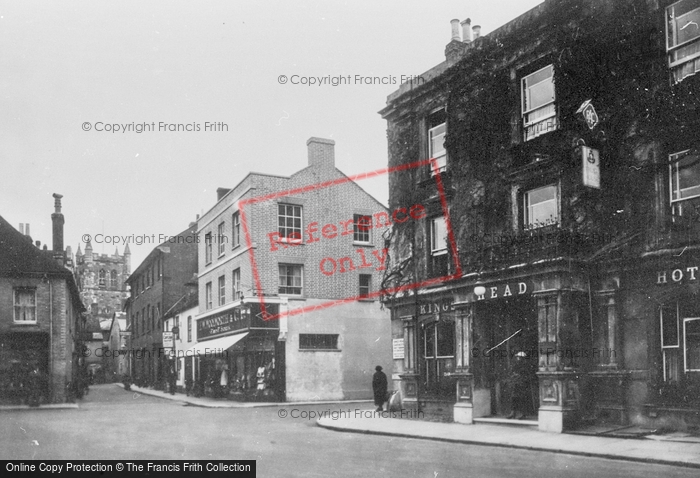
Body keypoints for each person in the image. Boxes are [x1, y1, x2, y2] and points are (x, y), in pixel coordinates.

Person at [507, 351, 530, 419]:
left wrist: (520, 378)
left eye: (519, 357)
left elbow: (526, 375)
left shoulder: (525, 365)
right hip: (516, 383)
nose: (518, 358)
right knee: (513, 398)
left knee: (522, 399)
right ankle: (513, 412)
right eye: (517, 357)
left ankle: (523, 414)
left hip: (523, 384)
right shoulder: (515, 365)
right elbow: (512, 372)